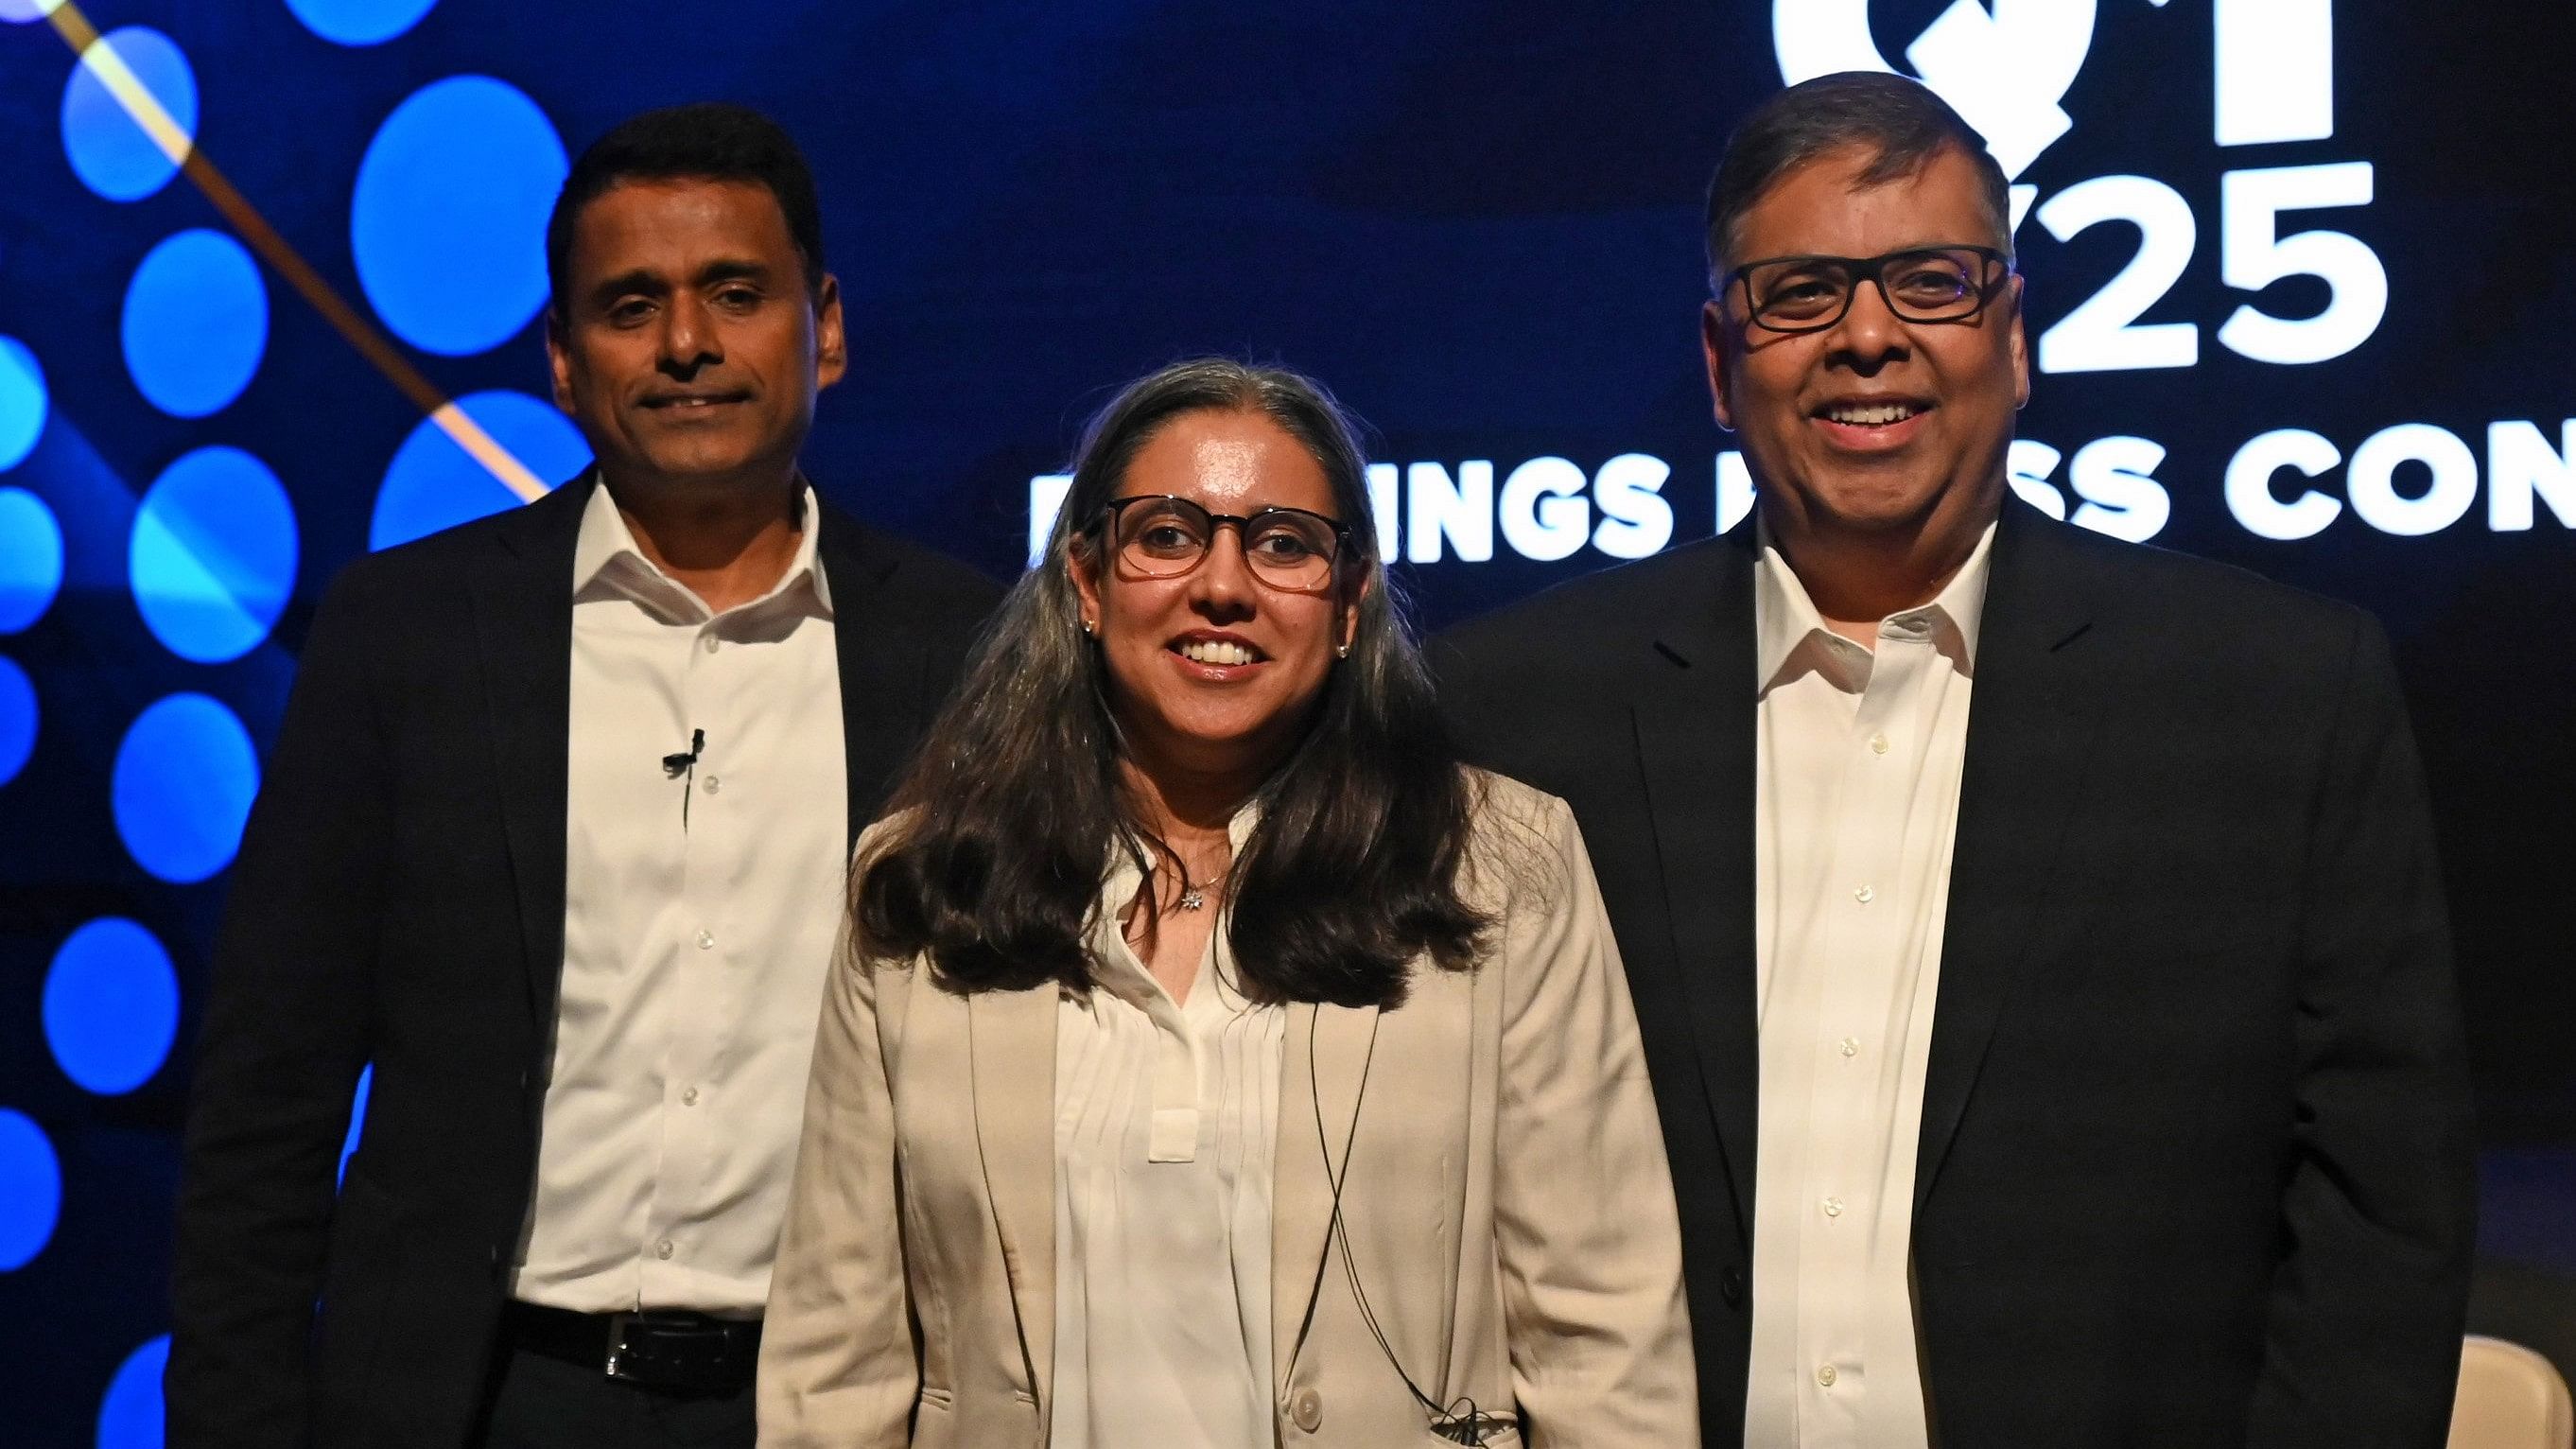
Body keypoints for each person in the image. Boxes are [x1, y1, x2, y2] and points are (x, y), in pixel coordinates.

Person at [1437, 72, 2473, 1446]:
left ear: (2019, 336)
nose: (1867, 338)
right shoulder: (1519, 711)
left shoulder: (2269, 695)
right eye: (1799, 292)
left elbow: (2383, 1210)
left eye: (1931, 281)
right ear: (1716, 365)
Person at [165, 103, 1002, 1449]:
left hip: (838, 1409)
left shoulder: (966, 649)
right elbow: (269, 1099)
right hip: (482, 1400)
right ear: (562, 358)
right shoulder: (409, 637)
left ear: (825, 328)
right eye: (630, 306)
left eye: (736, 294)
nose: (685, 344)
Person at [756, 358, 1695, 1447]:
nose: (1223, 584)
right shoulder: (925, 882)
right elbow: (838, 1355)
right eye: (1167, 533)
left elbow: (1604, 1339)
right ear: (1087, 581)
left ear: (1347, 604)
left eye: (1283, 541)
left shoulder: (1498, 866)